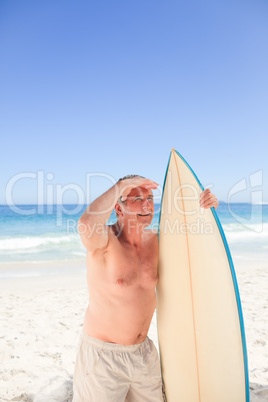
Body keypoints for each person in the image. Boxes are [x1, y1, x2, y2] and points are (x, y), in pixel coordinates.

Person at [73, 175, 219, 402]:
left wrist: (206, 208)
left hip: (143, 353)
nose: (147, 204)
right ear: (118, 210)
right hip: (103, 357)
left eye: (150, 198)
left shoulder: (158, 241)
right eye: (137, 199)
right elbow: (85, 224)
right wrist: (121, 185)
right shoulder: (105, 241)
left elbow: (198, 244)